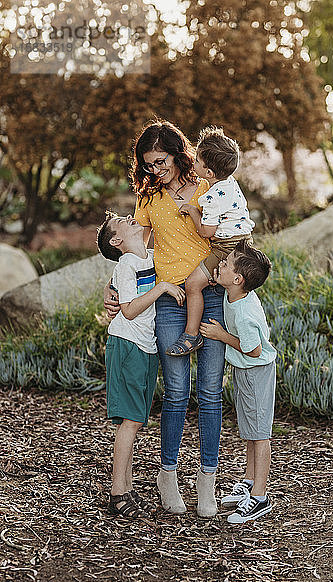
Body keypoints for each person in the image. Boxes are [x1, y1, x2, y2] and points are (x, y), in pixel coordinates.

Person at [104, 120, 226, 518]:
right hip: (170, 300)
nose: (155, 169)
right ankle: (168, 476)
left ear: (178, 153)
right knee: (175, 390)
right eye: (149, 163)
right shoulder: (149, 197)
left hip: (213, 295)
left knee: (210, 393)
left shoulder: (208, 187)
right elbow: (135, 251)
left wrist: (206, 273)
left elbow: (231, 238)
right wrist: (114, 287)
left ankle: (207, 481)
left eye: (161, 161)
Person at [97, 211, 185, 518]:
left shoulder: (145, 255)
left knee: (134, 421)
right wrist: (161, 288)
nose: (129, 217)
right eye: (122, 220)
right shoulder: (127, 263)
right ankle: (117, 493)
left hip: (145, 347)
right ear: (117, 240)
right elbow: (130, 310)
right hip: (127, 344)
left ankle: (128, 488)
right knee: (130, 422)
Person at [199, 240, 277, 524]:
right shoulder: (234, 293)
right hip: (246, 371)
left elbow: (254, 349)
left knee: (260, 434)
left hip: (256, 371)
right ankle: (248, 480)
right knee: (249, 430)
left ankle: (259, 496)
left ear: (237, 279)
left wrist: (221, 336)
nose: (219, 264)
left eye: (225, 264)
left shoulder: (244, 313)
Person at [166, 126, 255, 357]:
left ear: (208, 172)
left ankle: (191, 335)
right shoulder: (230, 183)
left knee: (193, 284)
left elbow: (206, 231)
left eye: (197, 161)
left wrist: (194, 211)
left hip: (227, 247)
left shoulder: (213, 196)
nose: (193, 164)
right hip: (244, 242)